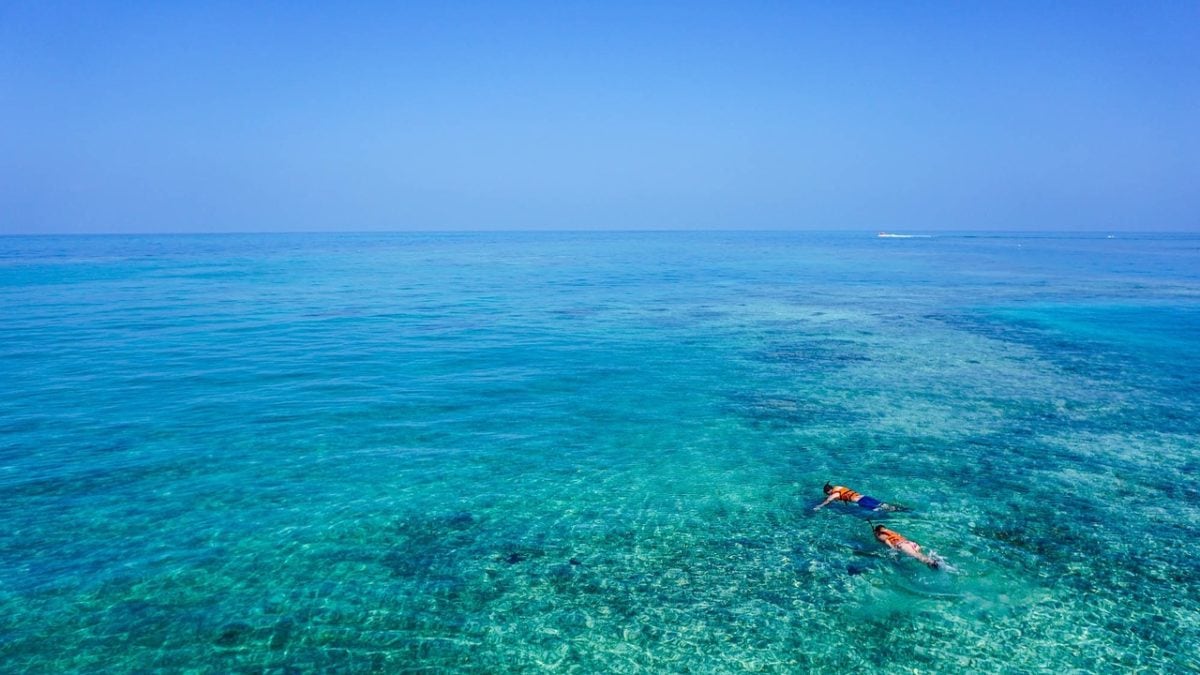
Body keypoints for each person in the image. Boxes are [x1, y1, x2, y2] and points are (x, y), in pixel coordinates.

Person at [872, 524, 940, 569]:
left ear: (877, 531)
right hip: (911, 543)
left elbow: (886, 540)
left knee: (915, 555)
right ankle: (932, 560)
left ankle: (931, 562)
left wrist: (892, 548)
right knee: (918, 555)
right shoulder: (891, 532)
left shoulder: (881, 535)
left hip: (902, 545)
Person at [812, 482, 898, 512]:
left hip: (862, 502)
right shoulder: (839, 487)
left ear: (829, 491)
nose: (829, 495)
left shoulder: (835, 494)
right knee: (884, 505)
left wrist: (819, 506)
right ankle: (902, 509)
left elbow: (828, 500)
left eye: (828, 493)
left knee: (879, 510)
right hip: (865, 497)